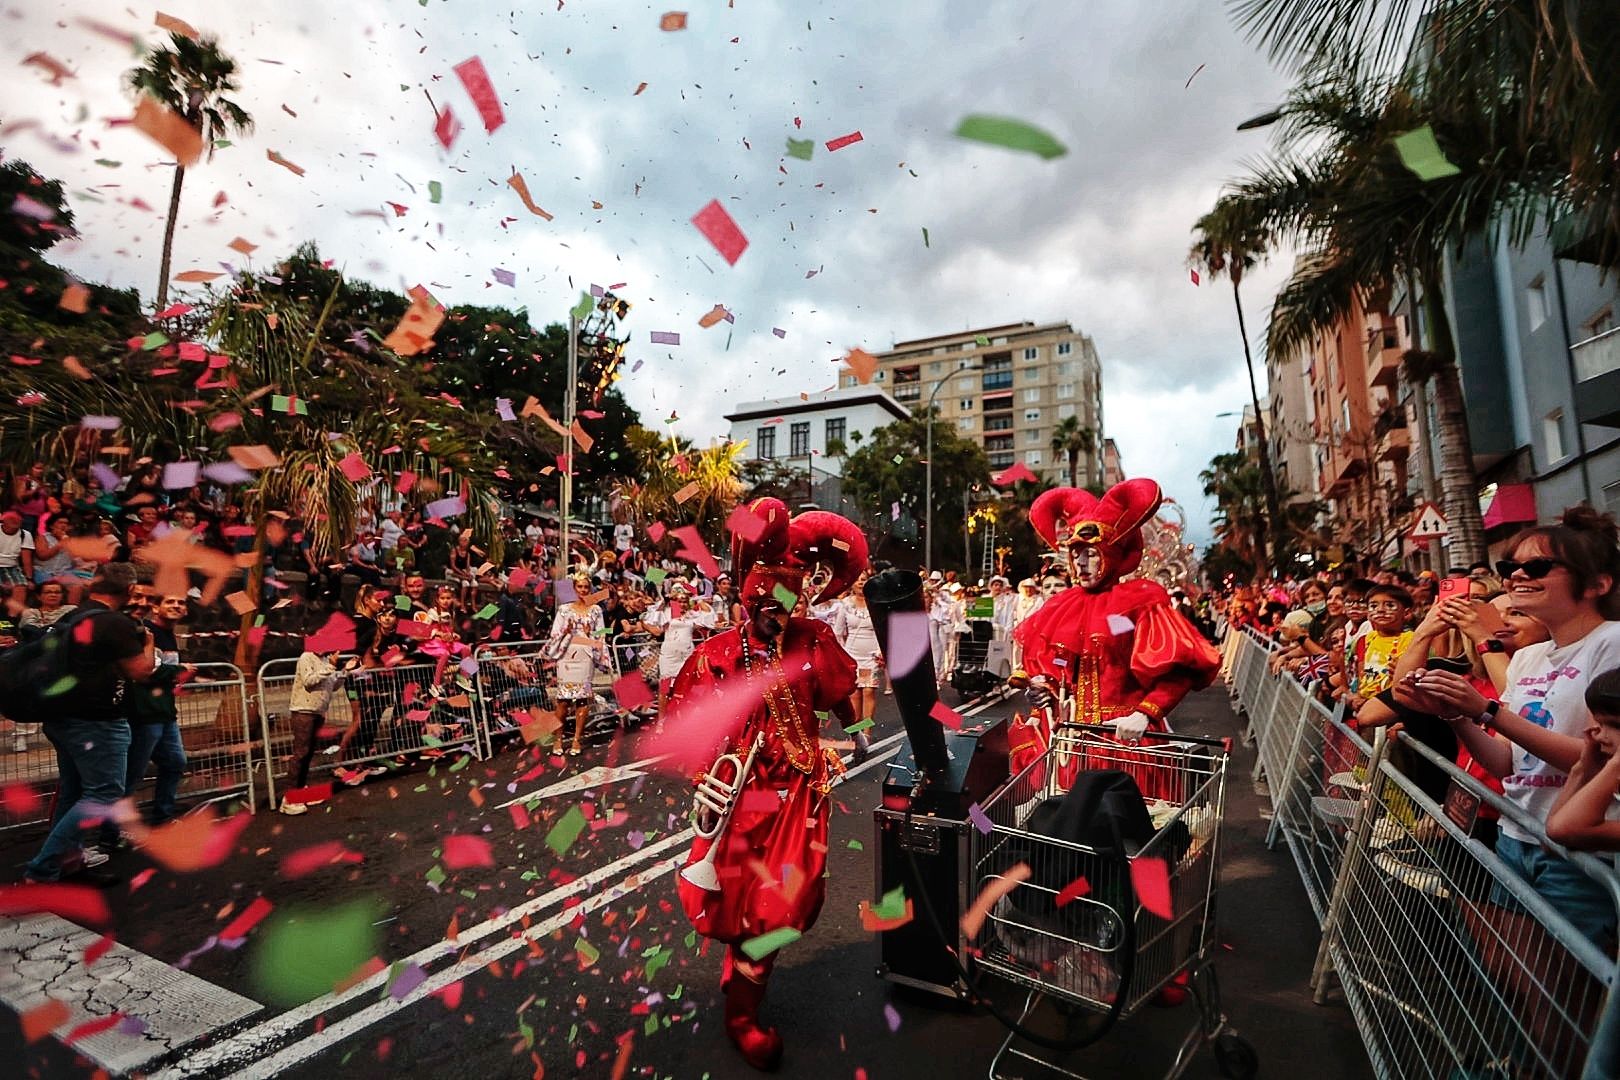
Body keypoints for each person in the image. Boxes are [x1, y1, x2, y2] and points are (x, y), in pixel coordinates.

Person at [666, 499, 865, 1070]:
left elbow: (841, 697)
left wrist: (862, 734)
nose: (776, 614)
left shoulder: (815, 639)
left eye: (786, 602)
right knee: (736, 900)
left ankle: (744, 998)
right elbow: (686, 727)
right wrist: (704, 779)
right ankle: (744, 1006)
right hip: (739, 798)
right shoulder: (716, 655)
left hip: (800, 794)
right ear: (747, 596)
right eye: (765, 602)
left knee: (785, 906)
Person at [1405, 506, 1620, 948]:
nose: (1516, 576)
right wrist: (1454, 712)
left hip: (1580, 854)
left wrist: (1485, 709)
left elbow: (1605, 760)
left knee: (1570, 991)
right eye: (1510, 567)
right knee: (1525, 990)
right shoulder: (1526, 658)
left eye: (1537, 566)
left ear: (1598, 583)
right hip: (1516, 833)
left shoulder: (1611, 643)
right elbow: (1507, 763)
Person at [1012, 479, 1220, 790]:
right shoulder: (1063, 607)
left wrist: (1145, 714)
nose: (1081, 563)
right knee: (1073, 829)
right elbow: (1061, 663)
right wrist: (1045, 687)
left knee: (1132, 830)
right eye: (1076, 553)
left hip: (1127, 744)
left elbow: (1180, 669)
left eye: (1091, 553)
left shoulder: (1138, 604)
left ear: (1111, 554)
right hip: (1075, 746)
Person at [24, 565, 153, 886]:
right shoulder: (112, 622)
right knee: (104, 792)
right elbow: (141, 671)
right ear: (128, 588)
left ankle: (70, 863)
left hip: (63, 719)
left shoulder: (72, 617)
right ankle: (42, 868)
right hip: (97, 722)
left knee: (73, 793)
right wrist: (148, 642)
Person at [120, 593, 190, 827]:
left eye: (181, 602)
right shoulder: (145, 632)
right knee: (131, 774)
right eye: (170, 601)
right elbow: (145, 672)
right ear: (155, 607)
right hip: (144, 713)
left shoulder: (170, 635)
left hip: (165, 713)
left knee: (175, 762)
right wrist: (181, 669)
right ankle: (114, 831)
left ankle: (162, 816)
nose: (176, 605)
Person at [281, 647, 357, 814]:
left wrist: (345, 671)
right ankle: (289, 798)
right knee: (301, 753)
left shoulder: (324, 661)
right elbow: (309, 680)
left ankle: (301, 791)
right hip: (303, 711)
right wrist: (330, 666)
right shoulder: (306, 657)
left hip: (318, 711)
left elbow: (333, 684)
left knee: (308, 753)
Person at [544, 572, 608, 756]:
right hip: (567, 658)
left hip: (585, 657)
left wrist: (591, 633)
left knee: (582, 698)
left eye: (586, 587)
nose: (583, 590)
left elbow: (604, 632)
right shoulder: (564, 610)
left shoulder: (596, 610)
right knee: (563, 700)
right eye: (579, 587)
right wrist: (567, 630)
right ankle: (558, 739)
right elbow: (554, 634)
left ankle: (577, 739)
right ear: (574, 588)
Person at [642, 580, 716, 724]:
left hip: (686, 656)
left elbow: (708, 615)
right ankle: (661, 721)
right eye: (678, 601)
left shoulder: (692, 615)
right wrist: (669, 597)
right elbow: (651, 618)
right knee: (664, 689)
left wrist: (694, 595)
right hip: (669, 656)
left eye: (684, 601)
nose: (681, 604)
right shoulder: (667, 613)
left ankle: (683, 720)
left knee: (686, 687)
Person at [831, 570, 882, 760]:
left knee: (868, 692)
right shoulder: (845, 605)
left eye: (865, 579)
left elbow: (882, 629)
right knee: (854, 697)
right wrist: (843, 654)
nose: (861, 582)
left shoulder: (875, 603)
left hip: (871, 656)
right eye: (858, 579)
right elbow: (838, 632)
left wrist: (880, 652)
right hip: (852, 656)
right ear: (851, 583)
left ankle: (866, 736)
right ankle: (856, 736)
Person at [0, 510, 35, 601]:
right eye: (11, 519)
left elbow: (26, 559)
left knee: (21, 587)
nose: (15, 521)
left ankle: (13, 615)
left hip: (12, 567)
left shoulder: (25, 535)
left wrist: (29, 579)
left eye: (18, 519)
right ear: (3, 520)